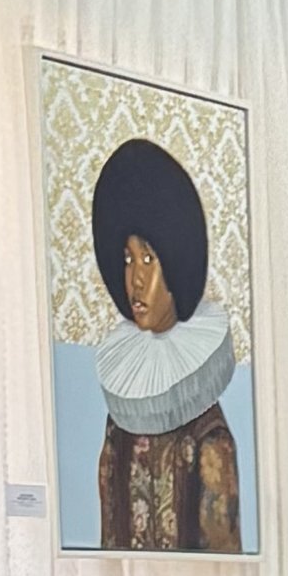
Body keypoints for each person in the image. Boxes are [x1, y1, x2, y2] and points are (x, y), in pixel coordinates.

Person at [87, 138, 246, 554]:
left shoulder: (209, 438)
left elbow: (223, 566)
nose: (136, 280)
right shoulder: (116, 424)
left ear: (174, 263)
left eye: (148, 260)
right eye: (127, 259)